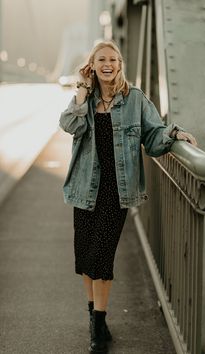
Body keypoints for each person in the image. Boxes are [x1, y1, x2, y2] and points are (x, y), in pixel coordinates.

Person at [59, 40, 197, 353]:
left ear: (120, 65)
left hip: (116, 192)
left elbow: (153, 134)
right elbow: (69, 125)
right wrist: (81, 93)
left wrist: (174, 134)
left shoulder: (133, 99)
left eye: (113, 59)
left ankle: (97, 328)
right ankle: (97, 317)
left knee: (101, 257)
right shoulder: (86, 100)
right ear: (92, 66)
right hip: (85, 189)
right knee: (84, 258)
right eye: (101, 60)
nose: (107, 64)